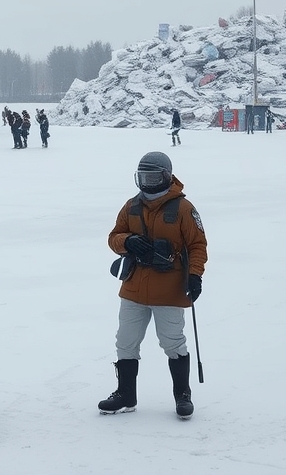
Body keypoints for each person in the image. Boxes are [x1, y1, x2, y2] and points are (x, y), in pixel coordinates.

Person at [100, 151, 207, 419]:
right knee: (125, 342)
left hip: (169, 289)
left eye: (152, 176)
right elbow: (114, 237)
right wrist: (127, 242)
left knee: (172, 343)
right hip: (134, 286)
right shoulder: (131, 206)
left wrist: (195, 275)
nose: (147, 183)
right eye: (143, 177)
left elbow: (197, 245)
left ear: (166, 177)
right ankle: (126, 394)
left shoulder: (184, 209)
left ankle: (183, 395)